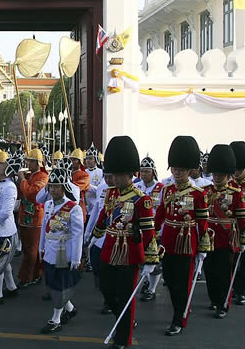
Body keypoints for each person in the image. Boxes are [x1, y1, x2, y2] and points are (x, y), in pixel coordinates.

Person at [91, 136, 160, 349]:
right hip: (109, 248)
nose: (115, 178)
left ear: (130, 174)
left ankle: (123, 339)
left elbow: (148, 230)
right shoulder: (111, 194)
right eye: (114, 174)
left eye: (119, 175)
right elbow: (104, 214)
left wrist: (150, 258)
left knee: (125, 297)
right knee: (106, 289)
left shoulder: (141, 199)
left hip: (129, 252)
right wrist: (96, 232)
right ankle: (123, 322)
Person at [153, 136, 210, 335]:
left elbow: (202, 222)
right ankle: (181, 307)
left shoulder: (198, 193)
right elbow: (160, 214)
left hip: (187, 241)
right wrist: (152, 234)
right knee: (169, 278)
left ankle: (179, 318)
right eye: (174, 169)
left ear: (189, 170)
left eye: (181, 170)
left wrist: (203, 246)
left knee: (182, 282)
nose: (176, 173)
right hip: (168, 240)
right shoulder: (167, 190)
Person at [203, 144, 245, 318]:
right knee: (209, 271)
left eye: (220, 175)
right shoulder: (206, 191)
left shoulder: (236, 194)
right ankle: (214, 299)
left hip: (226, 237)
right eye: (215, 174)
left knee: (223, 273)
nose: (216, 177)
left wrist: (243, 238)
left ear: (228, 175)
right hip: (208, 237)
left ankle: (223, 303)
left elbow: (242, 218)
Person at [39, 168, 83, 333]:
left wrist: (76, 258)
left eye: (56, 186)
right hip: (50, 251)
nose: (52, 190)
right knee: (51, 282)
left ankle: (55, 319)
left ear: (64, 187)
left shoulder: (73, 208)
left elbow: (78, 235)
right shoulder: (48, 204)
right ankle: (70, 309)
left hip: (64, 252)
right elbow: (44, 228)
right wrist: (41, 247)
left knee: (59, 285)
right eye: (51, 186)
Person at [0, 149, 20, 305]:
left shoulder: (10, 186)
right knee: (4, 262)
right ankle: (11, 287)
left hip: (4, 230)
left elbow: (6, 211)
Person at [17, 148, 49, 287]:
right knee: (27, 249)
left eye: (31, 161)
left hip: (35, 217)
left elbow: (32, 194)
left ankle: (27, 277)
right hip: (24, 215)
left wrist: (22, 180)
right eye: (28, 161)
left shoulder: (43, 177)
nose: (28, 163)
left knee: (32, 251)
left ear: (38, 163)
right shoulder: (29, 175)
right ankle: (36, 274)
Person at [228, 141, 245, 305]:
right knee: (230, 260)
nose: (236, 172)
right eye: (235, 169)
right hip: (230, 228)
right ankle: (230, 288)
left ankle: (242, 290)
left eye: (239, 169)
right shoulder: (228, 186)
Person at [136, 155, 164, 302]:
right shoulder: (136, 187)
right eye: (142, 171)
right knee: (141, 258)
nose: (144, 174)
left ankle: (152, 289)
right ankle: (146, 280)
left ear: (153, 172)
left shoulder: (161, 188)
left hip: (155, 228)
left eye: (147, 171)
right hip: (140, 228)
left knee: (154, 260)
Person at [84, 172, 113, 314]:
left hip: (115, 239)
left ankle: (111, 301)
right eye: (105, 176)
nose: (108, 180)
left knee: (111, 273)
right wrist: (88, 232)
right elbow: (96, 210)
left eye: (111, 176)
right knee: (97, 267)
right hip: (99, 235)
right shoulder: (102, 187)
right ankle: (107, 295)